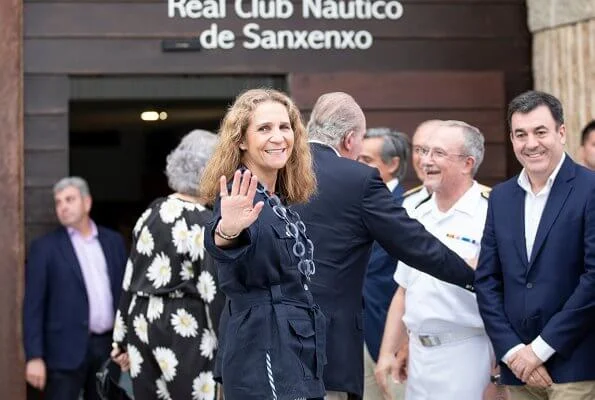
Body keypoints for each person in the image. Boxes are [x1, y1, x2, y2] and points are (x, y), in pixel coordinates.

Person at [293, 92, 476, 400]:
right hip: (328, 348)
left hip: (267, 349)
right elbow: (414, 245)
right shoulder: (358, 179)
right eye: (362, 140)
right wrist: (472, 275)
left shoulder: (274, 169)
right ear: (350, 139)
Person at [200, 88, 325, 400]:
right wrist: (226, 232)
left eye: (285, 127)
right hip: (264, 347)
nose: (278, 137)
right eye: (264, 128)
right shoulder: (239, 197)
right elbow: (223, 241)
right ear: (241, 140)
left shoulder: (275, 199)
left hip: (293, 344)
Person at [475, 90, 595, 399]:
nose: (530, 144)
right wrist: (514, 351)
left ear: (562, 132)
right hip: (518, 368)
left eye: (540, 132)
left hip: (576, 367)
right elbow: (487, 280)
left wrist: (540, 350)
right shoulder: (500, 197)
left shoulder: (589, 189)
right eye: (520, 134)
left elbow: (593, 280)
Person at [378, 120, 494, 399]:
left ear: (467, 163)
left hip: (469, 356)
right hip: (419, 361)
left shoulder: (491, 211)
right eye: (424, 151)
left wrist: (497, 373)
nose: (425, 161)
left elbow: (503, 295)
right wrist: (387, 352)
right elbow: (404, 288)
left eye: (438, 154)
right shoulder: (413, 209)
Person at [110, 129, 225, 400]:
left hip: (142, 322)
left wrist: (119, 340)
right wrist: (227, 343)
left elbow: (130, 278)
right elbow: (211, 289)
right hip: (185, 325)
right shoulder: (204, 223)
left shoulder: (151, 211)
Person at [23, 176, 127, 400]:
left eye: (69, 199)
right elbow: (33, 306)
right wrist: (34, 357)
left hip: (107, 347)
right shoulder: (45, 248)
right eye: (58, 202)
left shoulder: (113, 242)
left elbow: (125, 295)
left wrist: (127, 343)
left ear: (87, 202)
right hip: (63, 350)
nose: (63, 206)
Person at [357, 127, 410, 400]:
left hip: (394, 342)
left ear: (392, 164)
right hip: (356, 337)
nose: (358, 167)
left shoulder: (408, 208)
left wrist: (404, 340)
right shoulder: (352, 204)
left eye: (367, 161)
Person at [401, 120, 441, 214]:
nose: (424, 160)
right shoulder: (405, 203)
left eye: (437, 151)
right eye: (418, 149)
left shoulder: (480, 204)